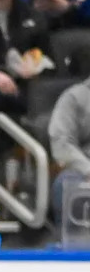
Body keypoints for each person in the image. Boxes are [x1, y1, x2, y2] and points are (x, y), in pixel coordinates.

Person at [48, 76, 90, 224]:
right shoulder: (74, 97)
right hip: (84, 170)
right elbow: (62, 144)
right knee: (65, 184)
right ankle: (74, 245)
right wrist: (88, 170)